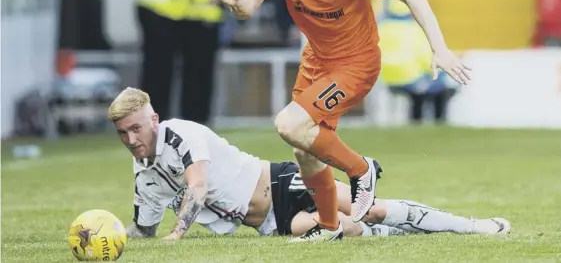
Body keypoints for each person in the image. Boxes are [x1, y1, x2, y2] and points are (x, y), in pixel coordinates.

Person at [215, 0, 471, 242]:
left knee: (289, 124)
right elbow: (248, 7)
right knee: (304, 150)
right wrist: (234, 5)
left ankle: (361, 169)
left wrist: (439, 48)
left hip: (355, 63)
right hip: (316, 61)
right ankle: (330, 225)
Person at [107, 88, 509, 242]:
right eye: (123, 133)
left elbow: (196, 186)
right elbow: (143, 229)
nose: (131, 140)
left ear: (153, 119)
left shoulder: (180, 133)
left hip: (283, 183)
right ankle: (417, 235)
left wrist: (178, 232)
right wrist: (110, 235)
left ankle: (472, 226)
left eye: (136, 129)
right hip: (270, 224)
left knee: (371, 208)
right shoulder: (144, 176)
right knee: (350, 232)